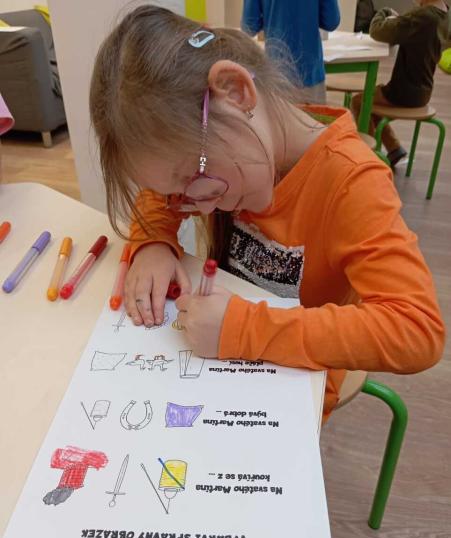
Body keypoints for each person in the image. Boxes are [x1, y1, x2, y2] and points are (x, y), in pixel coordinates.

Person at [89, 6, 445, 419]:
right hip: (214, 363)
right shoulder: (220, 146)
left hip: (291, 390)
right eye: (177, 193)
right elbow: (159, 192)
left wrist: (244, 329)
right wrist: (154, 240)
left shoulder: (351, 181)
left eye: (194, 178)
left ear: (236, 93)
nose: (197, 206)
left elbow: (416, 329)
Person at [351, 0, 449, 167]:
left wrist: (385, 12)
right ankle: (394, 148)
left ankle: (369, 158)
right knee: (373, 101)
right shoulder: (444, 15)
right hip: (423, 91)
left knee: (360, 101)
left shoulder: (422, 16)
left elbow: (377, 31)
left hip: (403, 92)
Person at [241, 0, 341, 103]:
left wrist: (271, 16)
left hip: (277, 72)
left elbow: (249, 26)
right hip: (311, 71)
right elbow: (331, 22)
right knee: (314, 113)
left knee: (277, 113)